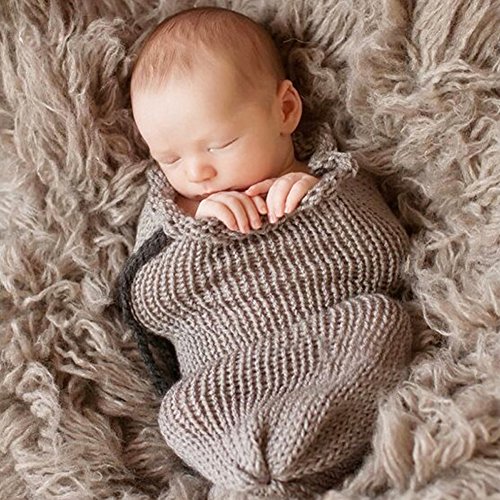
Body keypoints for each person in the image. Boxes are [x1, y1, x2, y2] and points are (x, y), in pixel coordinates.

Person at [116, 6, 412, 498]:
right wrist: (197, 232)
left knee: (382, 321)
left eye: (220, 143)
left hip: (328, 350)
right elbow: (147, 305)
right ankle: (252, 469)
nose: (197, 172)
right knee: (179, 411)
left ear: (285, 111)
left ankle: (306, 448)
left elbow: (386, 255)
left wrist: (320, 202)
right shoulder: (171, 212)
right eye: (169, 157)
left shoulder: (326, 179)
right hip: (225, 383)